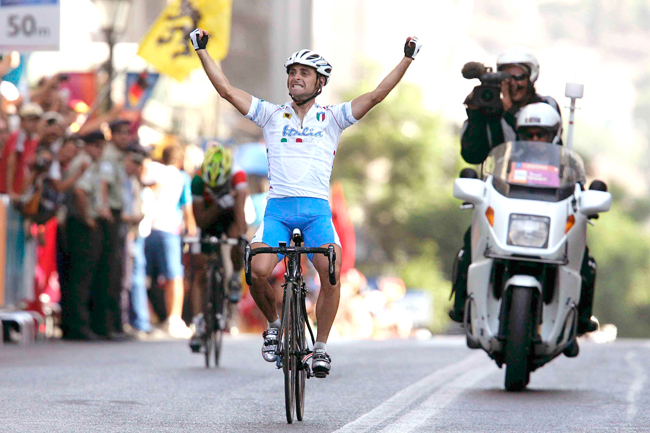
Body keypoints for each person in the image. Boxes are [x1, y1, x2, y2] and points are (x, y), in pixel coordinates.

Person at [190, 27, 421, 376]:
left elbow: (375, 96)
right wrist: (202, 51)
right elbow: (225, 90)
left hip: (316, 213)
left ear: (319, 83)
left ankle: (322, 348)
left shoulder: (333, 117)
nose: (296, 78)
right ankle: (273, 326)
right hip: (278, 212)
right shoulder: (270, 114)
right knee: (256, 270)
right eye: (292, 73)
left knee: (332, 270)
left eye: (304, 73)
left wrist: (406, 59)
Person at [450, 47, 562, 323]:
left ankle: (578, 314)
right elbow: (472, 155)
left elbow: (540, 148)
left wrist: (512, 112)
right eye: (506, 76)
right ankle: (463, 304)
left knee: (572, 246)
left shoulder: (546, 106)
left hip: (545, 196)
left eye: (518, 75)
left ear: (532, 77)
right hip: (500, 195)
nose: (513, 82)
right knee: (470, 242)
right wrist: (478, 116)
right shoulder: (489, 106)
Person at [188, 144, 249, 353]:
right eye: (210, 188)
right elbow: (201, 221)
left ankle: (234, 278)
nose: (213, 190)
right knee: (200, 270)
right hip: (209, 219)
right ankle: (198, 326)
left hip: (232, 217)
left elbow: (241, 219)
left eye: (218, 187)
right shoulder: (197, 180)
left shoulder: (238, 176)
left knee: (236, 238)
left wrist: (240, 240)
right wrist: (217, 203)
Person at [144, 144, 197, 338]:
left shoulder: (153, 170)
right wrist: (191, 226)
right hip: (169, 229)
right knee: (174, 276)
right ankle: (174, 319)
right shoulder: (181, 176)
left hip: (147, 228)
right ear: (180, 160)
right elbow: (186, 205)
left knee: (146, 276)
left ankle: (146, 319)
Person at [60, 131, 105, 341]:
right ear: (86, 145)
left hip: (79, 223)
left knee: (79, 275)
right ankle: (77, 326)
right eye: (96, 145)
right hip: (80, 224)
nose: (100, 150)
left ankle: (75, 325)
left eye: (101, 146)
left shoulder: (89, 162)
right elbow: (79, 191)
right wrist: (87, 217)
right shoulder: (84, 162)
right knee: (81, 276)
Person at [0, 103, 43, 197]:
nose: (34, 124)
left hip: (20, 194)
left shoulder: (34, 140)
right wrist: (10, 191)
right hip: (6, 193)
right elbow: (11, 164)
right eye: (31, 120)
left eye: (36, 120)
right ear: (22, 121)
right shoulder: (18, 137)